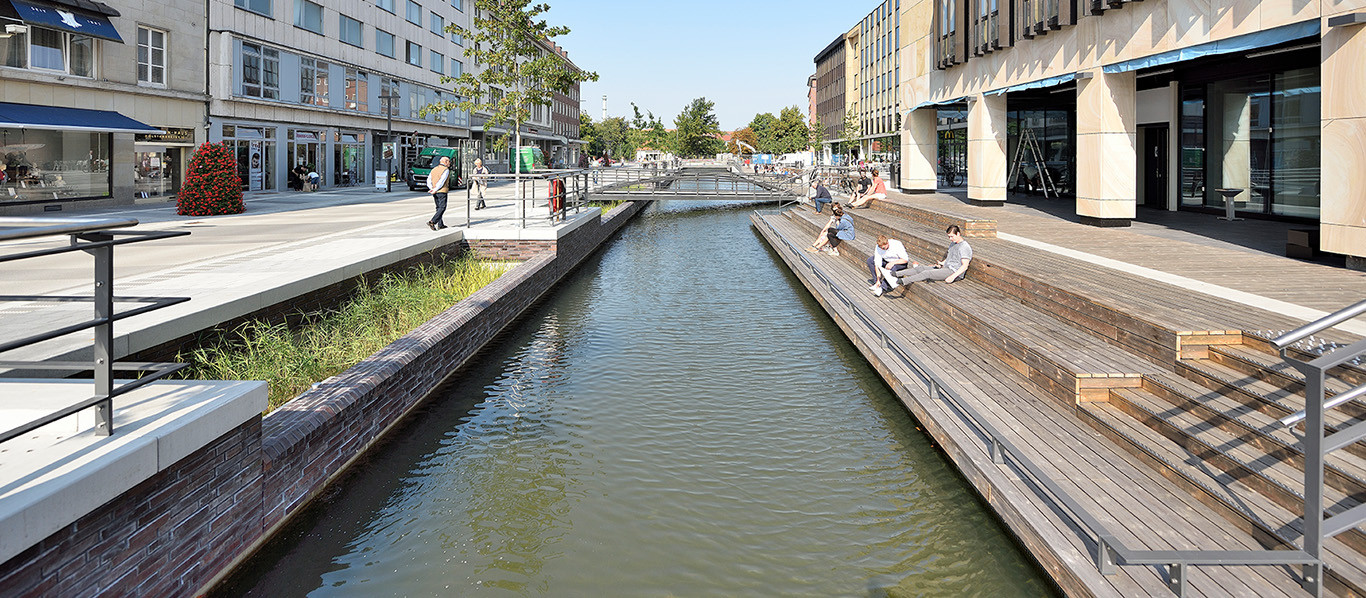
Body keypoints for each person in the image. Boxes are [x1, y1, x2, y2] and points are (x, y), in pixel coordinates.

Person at [883, 225, 973, 292]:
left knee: (926, 273)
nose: (950, 239)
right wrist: (942, 263)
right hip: (946, 267)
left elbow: (965, 266)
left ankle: (902, 281)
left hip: (954, 272)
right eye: (949, 236)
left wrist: (952, 277)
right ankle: (895, 274)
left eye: (952, 236)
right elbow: (951, 257)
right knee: (920, 268)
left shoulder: (964, 247)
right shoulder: (953, 243)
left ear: (958, 234)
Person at [426, 155, 451, 231]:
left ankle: (440, 224)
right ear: (445, 162)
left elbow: (428, 180)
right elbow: (442, 181)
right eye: (449, 161)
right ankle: (433, 221)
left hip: (434, 191)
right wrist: (436, 189)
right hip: (442, 191)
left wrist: (431, 188)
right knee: (442, 207)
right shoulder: (445, 170)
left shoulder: (434, 169)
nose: (449, 163)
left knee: (438, 207)